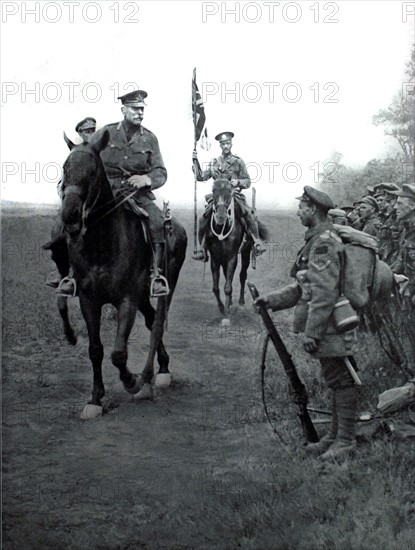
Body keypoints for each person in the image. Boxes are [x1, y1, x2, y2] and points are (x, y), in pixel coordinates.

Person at [255, 186, 359, 460]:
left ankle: (345, 441)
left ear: (313, 209)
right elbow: (305, 286)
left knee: (342, 379)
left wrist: (311, 333)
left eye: (302, 207)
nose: (298, 211)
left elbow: (323, 293)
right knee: (336, 379)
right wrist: (272, 300)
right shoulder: (316, 241)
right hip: (327, 323)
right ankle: (334, 438)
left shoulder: (324, 242)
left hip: (331, 323)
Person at [58, 89, 170, 298]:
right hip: (104, 194)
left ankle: (156, 276)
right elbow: (87, 157)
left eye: (142, 109)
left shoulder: (150, 139)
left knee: (157, 221)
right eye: (135, 109)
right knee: (72, 222)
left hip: (136, 195)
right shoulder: (105, 133)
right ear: (123, 110)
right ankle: (72, 275)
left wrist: (146, 180)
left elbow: (161, 172)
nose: (140, 113)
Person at [192, 131, 265, 261]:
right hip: (217, 197)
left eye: (227, 143)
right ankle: (202, 248)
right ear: (220, 146)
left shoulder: (238, 162)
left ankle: (257, 241)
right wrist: (195, 163)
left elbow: (247, 181)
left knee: (248, 213)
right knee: (203, 218)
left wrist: (237, 182)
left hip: (233, 195)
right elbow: (201, 177)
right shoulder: (215, 162)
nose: (226, 146)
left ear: (231, 144)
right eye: (223, 144)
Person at [45, 117, 97, 289]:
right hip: (80, 202)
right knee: (59, 230)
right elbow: (66, 181)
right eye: (87, 131)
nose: (91, 134)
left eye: (93, 130)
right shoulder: (75, 153)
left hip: (101, 201)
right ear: (80, 134)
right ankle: (64, 274)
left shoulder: (102, 149)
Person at [391, 184, 415, 305]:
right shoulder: (406, 229)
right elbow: (401, 259)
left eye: (399, 203)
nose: (395, 207)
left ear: (412, 206)